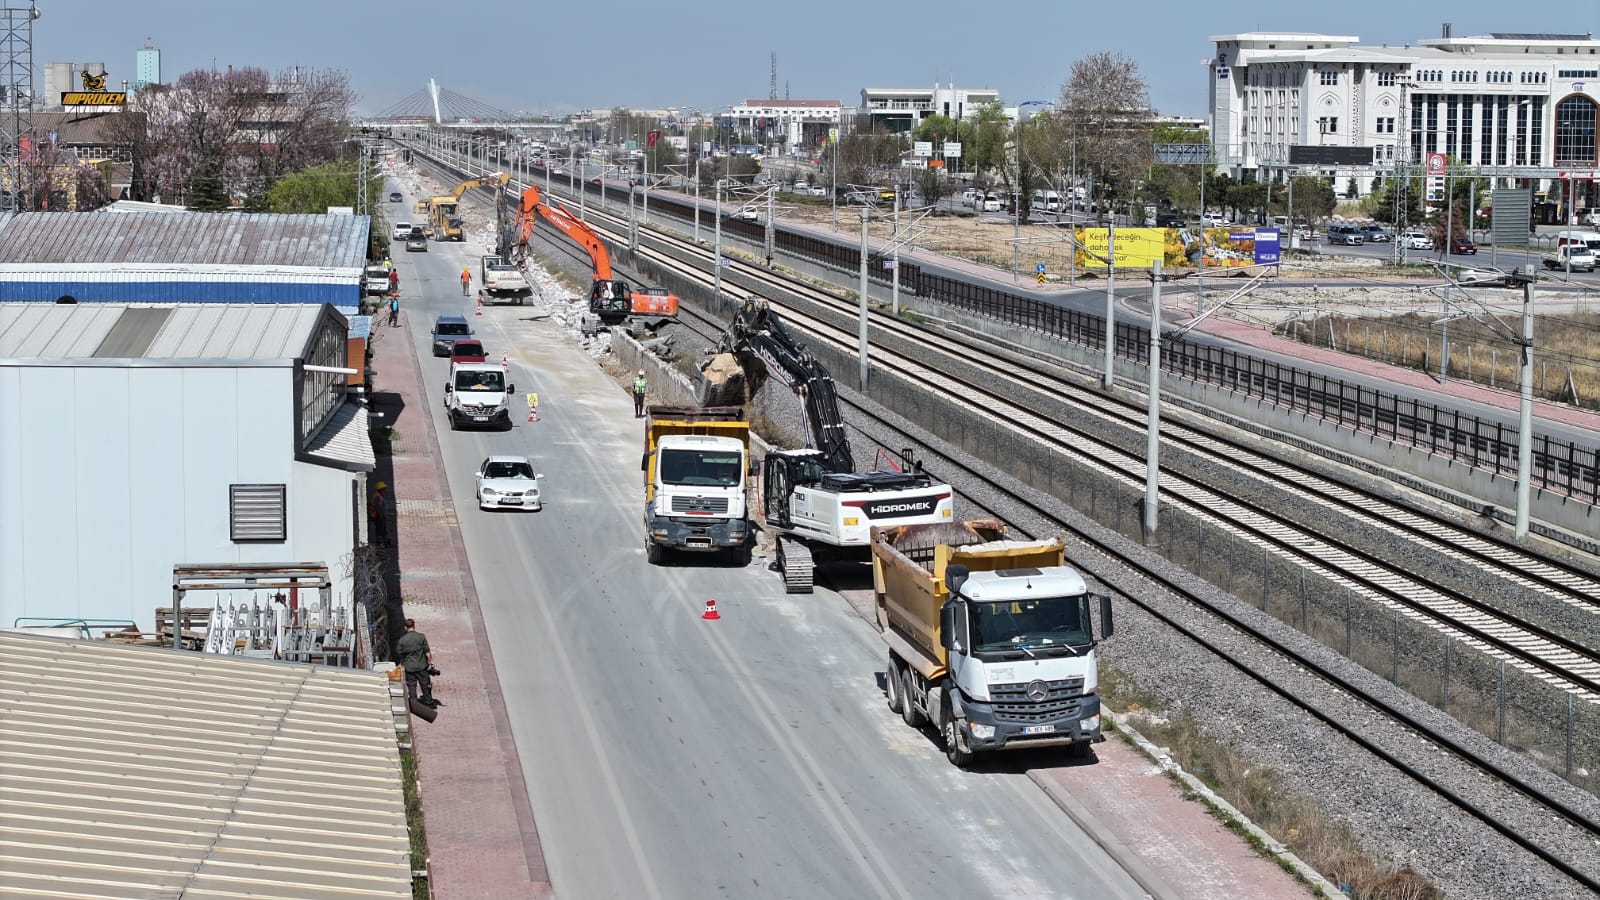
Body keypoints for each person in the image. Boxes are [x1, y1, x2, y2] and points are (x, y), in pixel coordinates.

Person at [396, 619, 440, 708]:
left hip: (409, 668)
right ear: (414, 626)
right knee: (425, 684)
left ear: (405, 628)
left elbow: (399, 652)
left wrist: (403, 660)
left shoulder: (402, 640)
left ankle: (414, 705)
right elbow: (427, 651)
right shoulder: (421, 637)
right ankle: (429, 702)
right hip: (422, 666)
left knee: (412, 686)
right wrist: (431, 662)